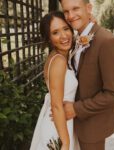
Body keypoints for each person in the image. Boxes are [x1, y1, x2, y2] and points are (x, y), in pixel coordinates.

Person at [59, 0, 114, 149]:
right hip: (72, 123)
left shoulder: (108, 42)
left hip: (92, 126)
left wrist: (76, 109)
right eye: (66, 11)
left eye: (75, 9)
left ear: (88, 8)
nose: (70, 16)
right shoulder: (76, 38)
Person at [30, 11, 80, 150]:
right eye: (55, 32)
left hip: (62, 122)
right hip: (57, 127)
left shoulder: (59, 56)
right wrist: (65, 143)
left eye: (65, 29)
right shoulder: (58, 61)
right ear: (49, 38)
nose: (64, 36)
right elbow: (57, 105)